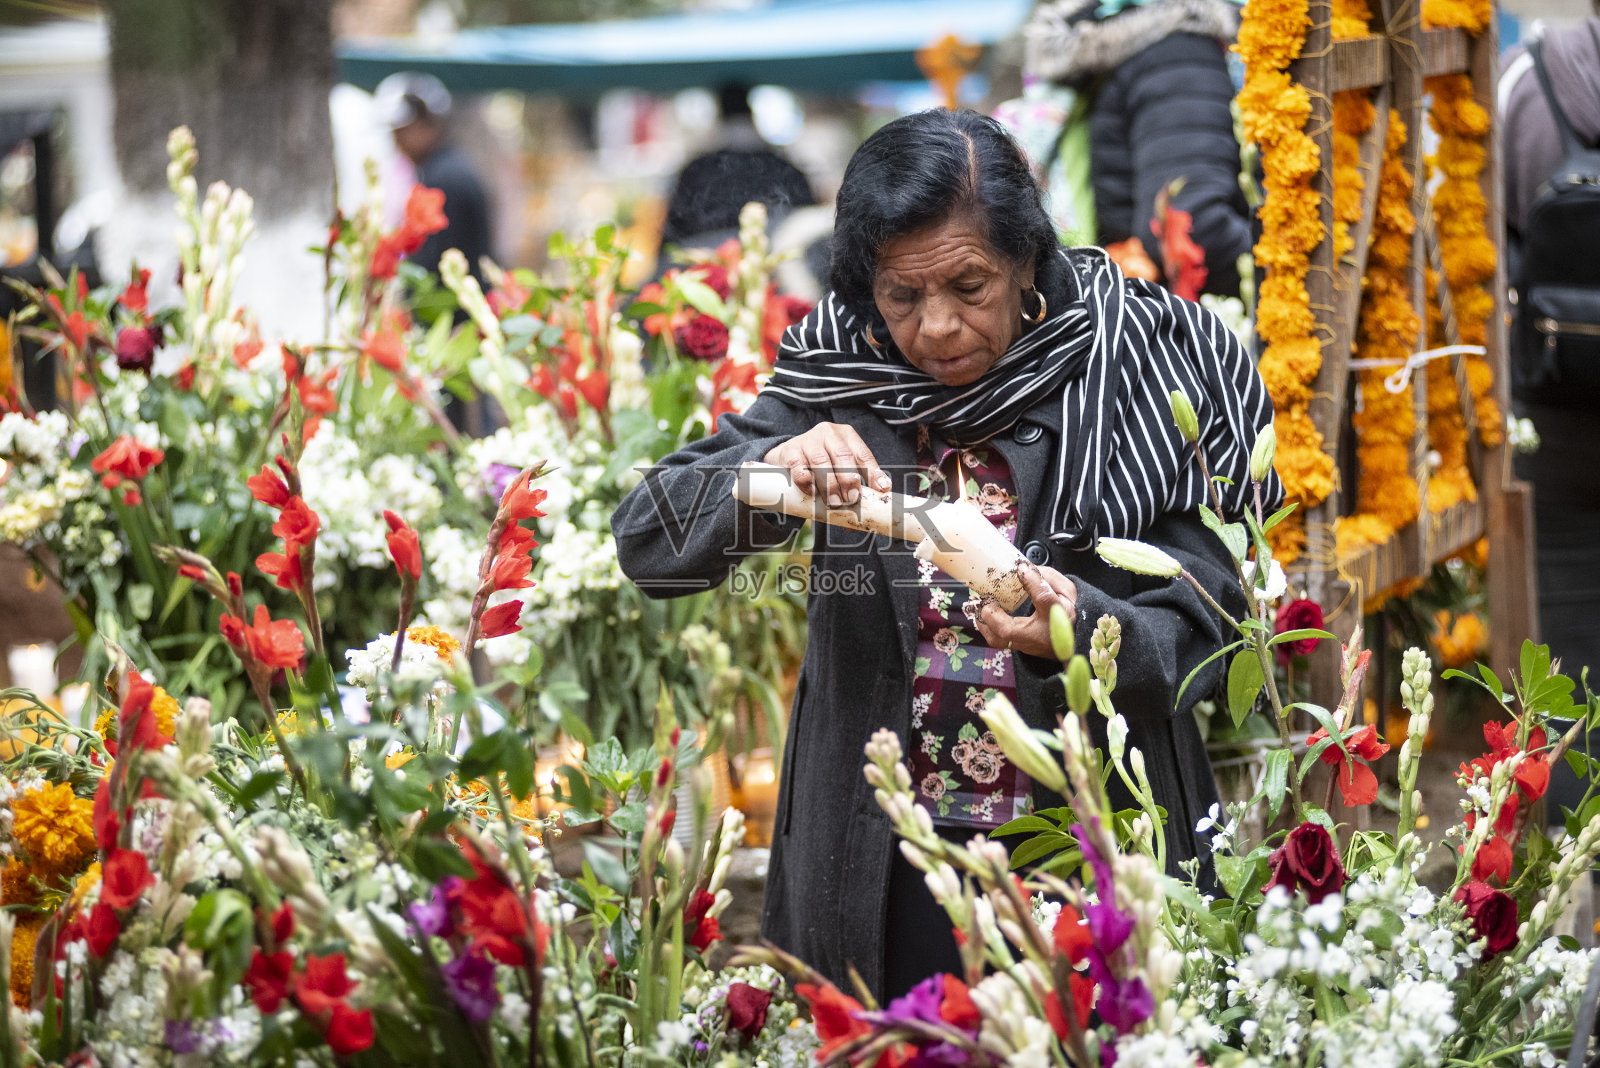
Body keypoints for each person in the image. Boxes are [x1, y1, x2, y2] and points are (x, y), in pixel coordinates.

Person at [611, 109, 1277, 999]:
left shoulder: (1140, 366)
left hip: (1091, 845)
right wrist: (769, 470)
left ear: (1027, 259)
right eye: (901, 295)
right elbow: (650, 544)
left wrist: (1085, 629)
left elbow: (1215, 624)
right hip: (880, 858)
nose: (935, 328)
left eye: (970, 285)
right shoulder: (841, 369)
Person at [1499, 15, 1600, 818]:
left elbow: (1497, 249)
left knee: (1567, 658)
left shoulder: (1528, 79)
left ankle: (1581, 885)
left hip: (1557, 401)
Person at [1005, 0, 1253, 297]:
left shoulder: (1111, 33)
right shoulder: (1177, 42)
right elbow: (1193, 229)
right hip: (1175, 316)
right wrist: (1298, 261)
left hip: (1122, 303)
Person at [374, 71, 492, 279]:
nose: (397, 142)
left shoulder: (445, 178)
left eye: (402, 131)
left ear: (428, 124)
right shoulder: (444, 169)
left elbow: (436, 258)